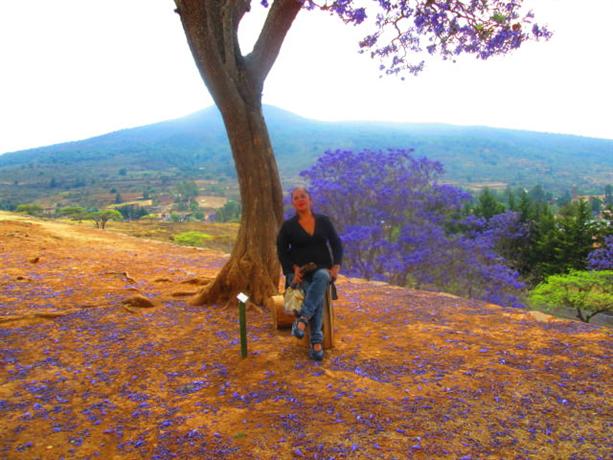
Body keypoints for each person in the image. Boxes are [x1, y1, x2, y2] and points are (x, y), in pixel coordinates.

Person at [276, 187, 343, 361]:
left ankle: (302, 319)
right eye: (296, 198)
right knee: (314, 293)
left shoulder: (324, 221)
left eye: (303, 196)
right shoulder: (288, 226)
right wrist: (292, 270)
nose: (300, 200)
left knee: (321, 278)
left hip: (322, 269)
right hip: (300, 273)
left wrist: (335, 266)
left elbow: (336, 244)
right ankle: (316, 342)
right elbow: (282, 252)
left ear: (310, 200)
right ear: (293, 203)